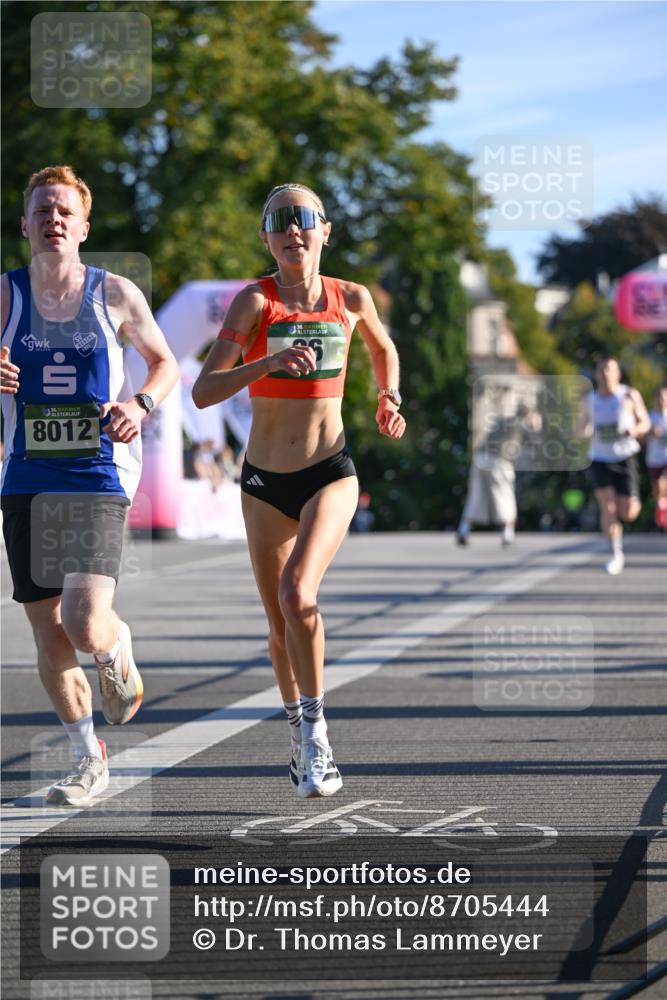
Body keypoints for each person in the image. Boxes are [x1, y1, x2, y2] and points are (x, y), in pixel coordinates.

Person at [193, 183, 405, 797]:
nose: (293, 231)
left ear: (324, 230)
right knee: (279, 626)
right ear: (267, 237)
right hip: (263, 483)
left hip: (329, 471)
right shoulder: (253, 304)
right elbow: (204, 391)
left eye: (303, 219)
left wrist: (387, 397)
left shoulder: (352, 297)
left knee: (298, 593)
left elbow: (383, 347)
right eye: (280, 221)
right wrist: (265, 364)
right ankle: (296, 735)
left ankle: (318, 739)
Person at [0, 165, 178, 805]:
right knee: (48, 633)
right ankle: (87, 759)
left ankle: (112, 644)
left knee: (82, 620)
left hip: (98, 472)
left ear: (83, 225)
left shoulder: (116, 294)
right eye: (42, 209)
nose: (53, 218)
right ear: (24, 224)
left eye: (64, 210)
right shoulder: (5, 295)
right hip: (25, 476)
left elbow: (165, 364)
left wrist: (142, 405)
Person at [577, 357, 650, 574]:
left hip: (625, 457)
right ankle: (615, 553)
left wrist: (634, 431)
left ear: (618, 374)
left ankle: (618, 519)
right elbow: (581, 428)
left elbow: (645, 422)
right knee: (607, 505)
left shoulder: (629, 395)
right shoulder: (589, 400)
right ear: (597, 375)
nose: (606, 375)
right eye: (602, 371)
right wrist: (584, 433)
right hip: (600, 458)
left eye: (610, 370)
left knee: (628, 513)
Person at [456, 394, 540, 547]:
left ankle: (463, 530)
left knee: (476, 496)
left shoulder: (503, 421)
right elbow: (535, 444)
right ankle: (508, 534)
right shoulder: (522, 425)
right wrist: (535, 426)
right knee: (504, 495)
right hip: (499, 461)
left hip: (480, 458)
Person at [645, 386, 667, 529]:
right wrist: (651, 432)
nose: (661, 400)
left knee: (662, 482)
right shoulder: (650, 416)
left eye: (664, 398)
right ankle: (661, 510)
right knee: (657, 491)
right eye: (659, 397)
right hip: (654, 459)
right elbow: (641, 437)